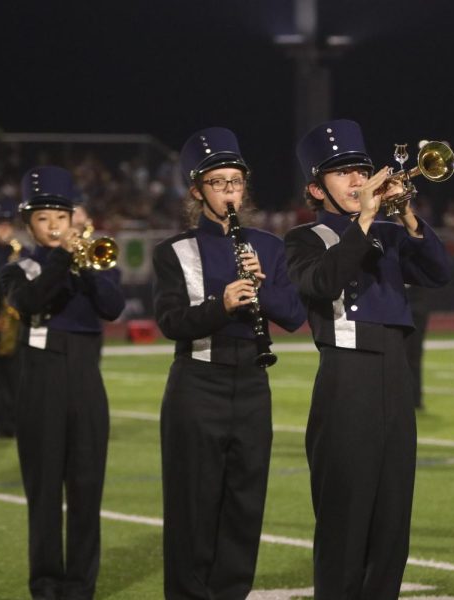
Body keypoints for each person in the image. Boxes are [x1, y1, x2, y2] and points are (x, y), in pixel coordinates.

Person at [285, 119, 451, 599]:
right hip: (345, 374)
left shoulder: (389, 232)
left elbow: (439, 272)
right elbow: (320, 283)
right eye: (343, 174)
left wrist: (409, 217)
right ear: (317, 188)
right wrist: (362, 220)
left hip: (395, 371)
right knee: (345, 517)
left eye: (361, 169)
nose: (358, 180)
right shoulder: (304, 239)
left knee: (392, 516)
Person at [153, 127, 306, 599]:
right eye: (218, 183)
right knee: (193, 506)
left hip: (253, 384)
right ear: (197, 192)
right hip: (197, 384)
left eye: (235, 182)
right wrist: (221, 304)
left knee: (244, 504)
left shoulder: (269, 245)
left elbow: (295, 316)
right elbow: (171, 321)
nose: (228, 192)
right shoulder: (174, 251)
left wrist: (262, 285)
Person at [0, 166, 125, 600]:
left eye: (61, 217)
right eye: (43, 219)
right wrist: (61, 258)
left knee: (87, 489)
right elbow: (31, 302)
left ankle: (80, 587)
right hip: (40, 379)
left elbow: (112, 307)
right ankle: (46, 585)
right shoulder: (21, 268)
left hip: (87, 378)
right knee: (44, 490)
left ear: (75, 219)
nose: (54, 226)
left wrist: (86, 266)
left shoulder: (95, 261)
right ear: (29, 223)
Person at [0, 197, 24, 439]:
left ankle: (13, 422)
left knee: (15, 375)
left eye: (7, 224)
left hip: (14, 321)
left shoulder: (19, 253)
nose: (4, 228)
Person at [404, 283, 433, 410]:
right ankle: (409, 397)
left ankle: (415, 398)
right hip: (402, 312)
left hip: (415, 313)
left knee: (413, 357)